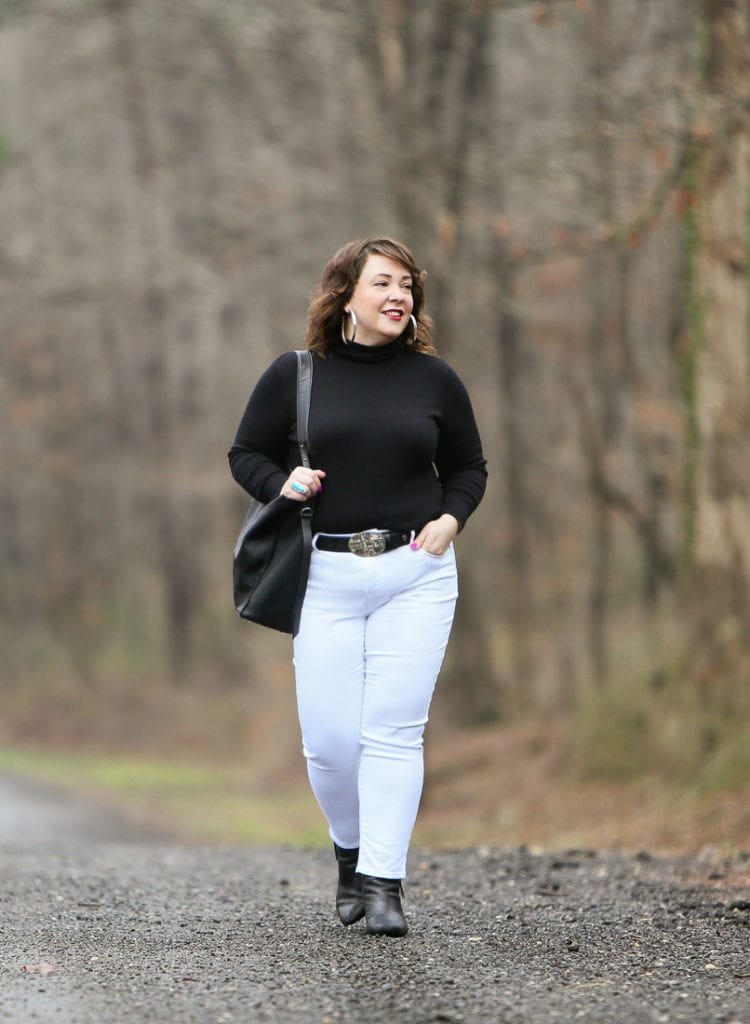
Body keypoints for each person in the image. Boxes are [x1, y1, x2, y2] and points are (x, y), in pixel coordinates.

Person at [228, 238, 487, 937]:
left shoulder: (435, 381)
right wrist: (280, 483)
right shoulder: (296, 375)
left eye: (408, 285)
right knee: (331, 743)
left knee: (394, 733)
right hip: (325, 574)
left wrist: (451, 519)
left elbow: (469, 466)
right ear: (344, 293)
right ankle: (350, 852)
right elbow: (245, 453)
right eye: (383, 283)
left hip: (416, 574)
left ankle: (383, 884)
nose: (399, 295)